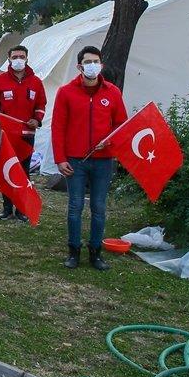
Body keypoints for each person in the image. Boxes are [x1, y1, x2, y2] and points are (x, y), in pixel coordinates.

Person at [51, 46, 128, 271]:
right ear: (79, 66)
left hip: (104, 160)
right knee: (75, 206)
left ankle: (96, 253)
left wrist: (111, 141)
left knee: (99, 207)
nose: (92, 65)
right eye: (88, 61)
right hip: (76, 160)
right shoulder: (66, 92)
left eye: (95, 61)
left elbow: (121, 124)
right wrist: (60, 158)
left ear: (101, 65)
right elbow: (58, 127)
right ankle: (73, 251)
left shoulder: (112, 92)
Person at [0, 45, 47, 221]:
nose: (18, 60)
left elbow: (41, 105)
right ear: (9, 59)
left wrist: (37, 120)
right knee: (6, 170)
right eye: (15, 57)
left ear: (27, 59)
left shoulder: (36, 82)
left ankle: (21, 208)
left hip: (26, 136)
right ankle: (7, 209)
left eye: (22, 56)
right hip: (5, 136)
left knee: (23, 172)